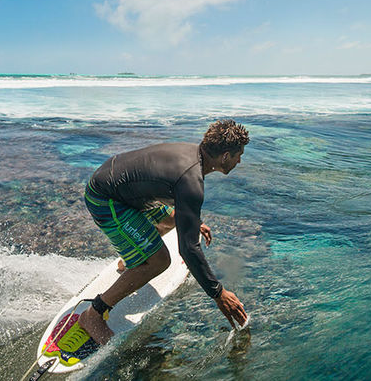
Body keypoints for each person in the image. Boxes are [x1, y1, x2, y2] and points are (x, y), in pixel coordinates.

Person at [75, 119, 250, 346]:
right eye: (239, 155)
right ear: (225, 156)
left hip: (123, 188)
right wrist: (218, 293)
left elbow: (167, 186)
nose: (240, 160)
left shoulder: (192, 155)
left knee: (175, 220)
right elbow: (188, 249)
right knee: (159, 261)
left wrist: (191, 221)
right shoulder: (191, 180)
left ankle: (131, 259)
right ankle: (94, 313)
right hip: (106, 198)